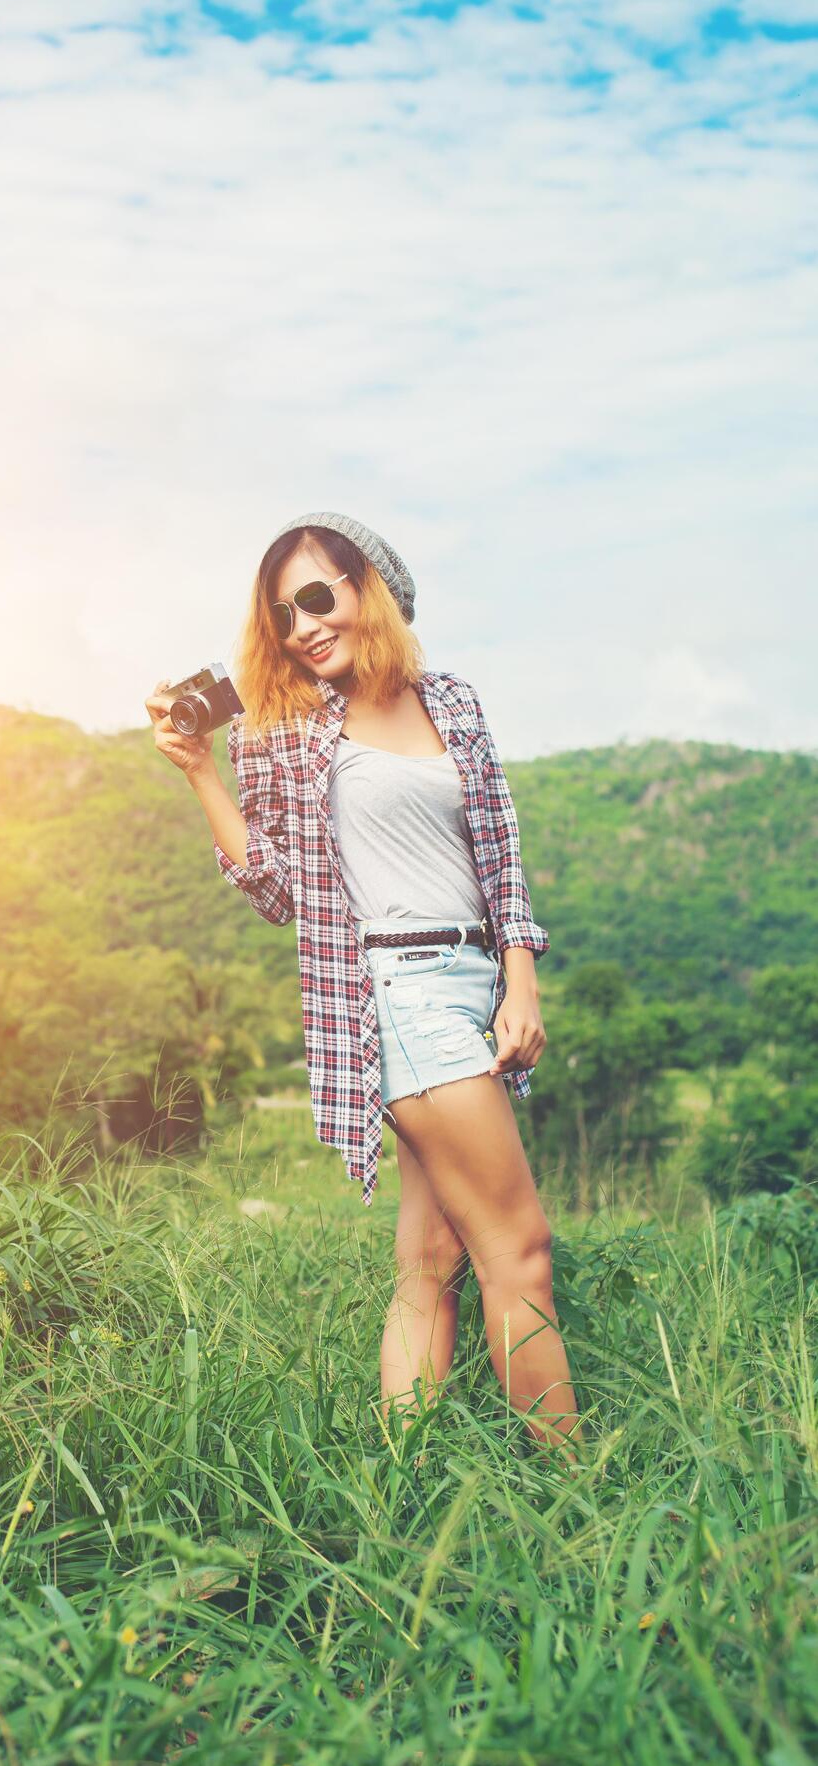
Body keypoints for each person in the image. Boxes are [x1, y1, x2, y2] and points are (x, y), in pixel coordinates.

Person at [145, 514, 579, 1451]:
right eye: (282, 612)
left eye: (316, 595)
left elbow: (501, 854)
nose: (301, 625)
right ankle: (576, 1491)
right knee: (522, 1251)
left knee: (431, 1260)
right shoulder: (289, 730)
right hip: (403, 993)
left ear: (368, 585)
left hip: (476, 979)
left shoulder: (453, 703)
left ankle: (401, 1488)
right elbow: (271, 886)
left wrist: (521, 981)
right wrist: (201, 774)